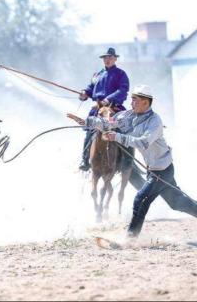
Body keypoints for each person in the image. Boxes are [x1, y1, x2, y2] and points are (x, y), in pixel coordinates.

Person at [74, 84, 197, 237]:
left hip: (161, 171)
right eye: (132, 100)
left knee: (141, 199)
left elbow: (143, 142)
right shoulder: (128, 115)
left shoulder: (155, 121)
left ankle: (131, 238)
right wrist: (87, 122)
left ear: (146, 103)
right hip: (155, 169)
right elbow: (108, 123)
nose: (131, 103)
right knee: (176, 203)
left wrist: (117, 137)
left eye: (134, 100)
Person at [78, 47, 129, 172]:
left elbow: (123, 90)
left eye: (110, 57)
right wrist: (84, 93)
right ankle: (85, 159)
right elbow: (90, 88)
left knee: (123, 130)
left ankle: (127, 161)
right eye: (105, 57)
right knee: (90, 131)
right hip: (98, 109)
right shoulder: (97, 74)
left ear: (115, 59)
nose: (108, 60)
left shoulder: (121, 74)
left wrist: (108, 100)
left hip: (114, 108)